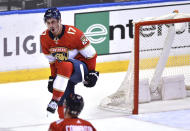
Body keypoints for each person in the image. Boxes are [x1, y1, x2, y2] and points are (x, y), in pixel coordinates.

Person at [40, 7, 99, 118]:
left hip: (80, 69)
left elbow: (91, 54)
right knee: (65, 101)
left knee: (64, 64)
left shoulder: (74, 33)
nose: (51, 25)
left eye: (53, 22)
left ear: (59, 20)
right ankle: (65, 123)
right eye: (48, 23)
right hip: (64, 73)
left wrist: (92, 72)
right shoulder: (44, 38)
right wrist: (53, 77)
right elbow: (52, 62)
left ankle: (54, 100)